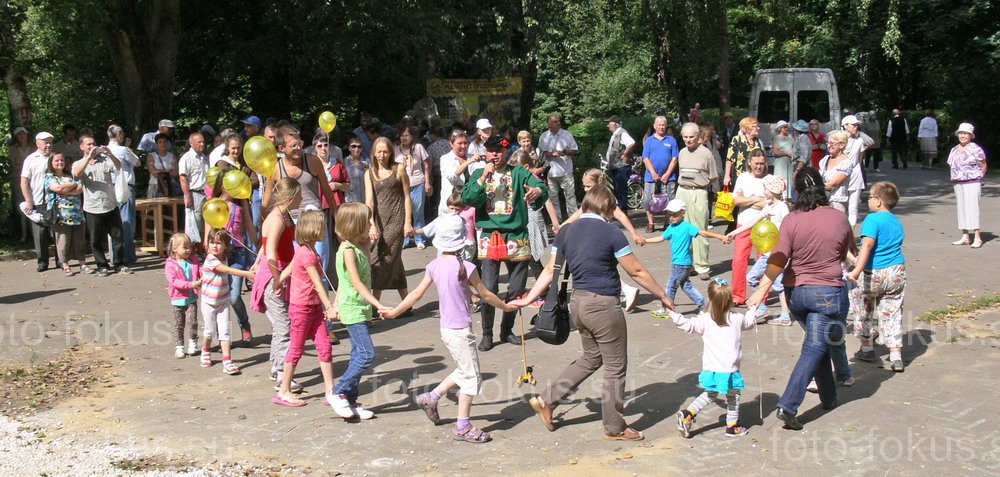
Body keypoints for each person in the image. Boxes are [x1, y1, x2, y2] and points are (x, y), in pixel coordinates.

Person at [512, 186, 673, 441]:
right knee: (615, 367)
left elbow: (550, 271)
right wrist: (663, 295)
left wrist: (529, 299)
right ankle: (614, 427)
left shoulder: (566, 231)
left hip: (578, 304)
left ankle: (547, 400)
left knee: (591, 358)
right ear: (607, 207)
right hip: (604, 305)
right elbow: (636, 272)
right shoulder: (611, 232)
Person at [383, 211, 514, 443]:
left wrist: (394, 311)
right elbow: (485, 294)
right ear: (462, 240)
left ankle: (431, 397)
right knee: (472, 377)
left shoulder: (434, 265)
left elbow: (415, 294)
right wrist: (505, 306)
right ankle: (462, 426)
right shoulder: (468, 267)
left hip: (447, 329)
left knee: (464, 370)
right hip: (461, 330)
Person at [746, 167, 853, 430]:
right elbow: (848, 250)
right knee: (815, 348)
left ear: (798, 191)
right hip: (828, 291)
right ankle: (788, 405)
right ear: (822, 187)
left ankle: (828, 397)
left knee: (820, 343)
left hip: (798, 296)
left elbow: (779, 258)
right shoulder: (839, 217)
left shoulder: (792, 220)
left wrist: (761, 290)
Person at [461, 135, 547, 351]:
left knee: (517, 288)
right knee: (488, 287)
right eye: (491, 150)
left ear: (507, 153)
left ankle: (506, 330)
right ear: (486, 153)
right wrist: (483, 179)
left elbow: (540, 186)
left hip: (516, 235)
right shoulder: (479, 173)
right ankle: (487, 334)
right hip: (490, 236)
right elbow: (468, 198)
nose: (495, 154)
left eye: (499, 150)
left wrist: (537, 191)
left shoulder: (518, 172)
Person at [670, 278, 757, 439]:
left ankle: (688, 413)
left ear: (710, 298)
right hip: (729, 369)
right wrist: (752, 309)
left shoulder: (704, 319)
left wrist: (672, 313)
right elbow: (750, 323)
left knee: (710, 394)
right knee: (734, 396)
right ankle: (732, 426)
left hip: (712, 367)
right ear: (730, 300)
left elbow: (687, 325)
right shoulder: (737, 318)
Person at [271, 210, 340, 409]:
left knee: (325, 346)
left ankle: (330, 390)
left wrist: (279, 282)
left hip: (314, 308)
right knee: (296, 348)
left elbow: (290, 268)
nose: (324, 230)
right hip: (302, 309)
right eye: (321, 226)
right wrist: (330, 306)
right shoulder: (308, 254)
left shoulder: (305, 249)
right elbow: (318, 283)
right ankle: (284, 390)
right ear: (312, 229)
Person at [328, 203, 388, 420]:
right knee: (366, 354)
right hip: (353, 307)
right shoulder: (347, 251)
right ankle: (338, 391)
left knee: (356, 354)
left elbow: (364, 259)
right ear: (355, 226)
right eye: (366, 223)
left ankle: (351, 400)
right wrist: (377, 303)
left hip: (358, 307)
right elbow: (355, 283)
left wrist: (370, 241)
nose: (370, 226)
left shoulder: (356, 247)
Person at [556, 169, 645, 310]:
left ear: (598, 183)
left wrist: (634, 234)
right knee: (605, 269)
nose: (585, 190)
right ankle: (625, 290)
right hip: (594, 237)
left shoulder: (605, 198)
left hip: (602, 239)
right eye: (584, 186)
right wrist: (563, 226)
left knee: (603, 269)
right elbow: (578, 214)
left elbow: (621, 215)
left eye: (588, 186)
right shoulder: (591, 198)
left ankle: (624, 290)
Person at [250, 178, 303, 392]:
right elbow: (270, 250)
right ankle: (282, 373)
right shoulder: (277, 218)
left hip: (281, 273)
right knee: (284, 327)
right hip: (275, 276)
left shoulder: (284, 216)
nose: (301, 198)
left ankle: (275, 366)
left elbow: (264, 248)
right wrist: (277, 278)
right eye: (298, 194)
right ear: (289, 197)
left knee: (281, 324)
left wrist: (256, 261)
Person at [847, 181, 906, 372]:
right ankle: (896, 355)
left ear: (879, 201)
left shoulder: (872, 219)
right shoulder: (896, 220)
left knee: (862, 307)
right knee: (893, 310)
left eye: (870, 197)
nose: (868, 200)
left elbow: (868, 246)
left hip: (874, 272)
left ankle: (867, 348)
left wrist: (856, 270)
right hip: (896, 270)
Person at [206, 144, 259, 344]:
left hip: (237, 253)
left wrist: (258, 245)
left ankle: (244, 323)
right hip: (218, 254)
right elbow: (208, 225)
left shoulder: (241, 202)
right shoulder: (214, 203)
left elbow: (249, 227)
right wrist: (205, 244)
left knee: (235, 296)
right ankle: (222, 334)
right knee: (218, 297)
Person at [646, 199, 730, 314]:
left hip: (681, 263)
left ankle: (667, 309)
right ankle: (704, 306)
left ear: (683, 213)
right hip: (681, 263)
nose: (671, 217)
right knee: (686, 286)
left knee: (671, 286)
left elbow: (703, 233)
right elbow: (661, 238)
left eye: (674, 214)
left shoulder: (687, 227)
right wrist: (645, 240)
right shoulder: (671, 227)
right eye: (669, 214)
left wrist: (720, 237)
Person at [729, 175, 792, 326]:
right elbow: (752, 222)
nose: (763, 191)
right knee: (752, 277)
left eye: (766, 188)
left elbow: (789, 227)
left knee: (778, 284)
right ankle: (762, 306)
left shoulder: (783, 208)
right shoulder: (768, 206)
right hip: (766, 254)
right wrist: (733, 233)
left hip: (778, 254)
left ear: (774, 190)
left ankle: (785, 315)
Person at [198, 228, 256, 375]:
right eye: (212, 243)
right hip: (209, 302)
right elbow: (227, 270)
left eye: (219, 243)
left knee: (225, 333)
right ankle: (205, 350)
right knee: (209, 332)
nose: (214, 246)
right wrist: (248, 273)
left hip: (223, 301)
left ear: (226, 246)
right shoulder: (211, 260)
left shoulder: (224, 256)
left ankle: (227, 361)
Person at [365, 136, 413, 303]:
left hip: (397, 219)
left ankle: (374, 303)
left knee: (381, 259)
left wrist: (408, 222)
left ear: (391, 152)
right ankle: (406, 304)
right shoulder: (369, 173)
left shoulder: (398, 169)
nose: (382, 155)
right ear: (374, 153)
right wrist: (371, 224)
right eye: (378, 151)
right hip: (379, 221)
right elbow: (369, 201)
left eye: (385, 151)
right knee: (394, 261)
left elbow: (407, 197)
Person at [72, 135, 125, 276]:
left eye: (93, 144)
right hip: (92, 207)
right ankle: (102, 265)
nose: (92, 147)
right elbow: (77, 174)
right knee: (96, 239)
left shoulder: (105, 160)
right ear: (82, 147)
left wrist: (110, 154)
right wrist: (88, 158)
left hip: (110, 204)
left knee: (118, 236)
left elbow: (119, 166)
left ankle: (119, 264)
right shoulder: (78, 163)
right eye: (88, 144)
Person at [676, 122, 719, 280]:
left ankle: (702, 267)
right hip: (682, 192)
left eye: (691, 137)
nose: (688, 140)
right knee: (682, 230)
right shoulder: (681, 152)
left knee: (699, 229)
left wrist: (700, 185)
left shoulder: (706, 153)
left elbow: (713, 176)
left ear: (698, 137)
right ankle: (688, 264)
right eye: (685, 137)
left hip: (699, 192)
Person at [730, 150, 772, 305]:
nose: (759, 167)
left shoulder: (770, 179)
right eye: (756, 164)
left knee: (763, 261)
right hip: (744, 222)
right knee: (739, 260)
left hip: (764, 225)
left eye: (762, 164)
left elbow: (770, 204)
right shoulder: (742, 177)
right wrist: (756, 199)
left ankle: (761, 296)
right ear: (749, 163)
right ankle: (738, 296)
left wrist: (746, 199)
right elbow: (735, 201)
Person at [509, 151, 561, 274]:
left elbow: (547, 201)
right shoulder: (513, 180)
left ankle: (545, 289)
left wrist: (555, 223)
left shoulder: (533, 181)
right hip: (517, 219)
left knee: (531, 255)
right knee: (520, 255)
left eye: (515, 168)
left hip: (530, 218)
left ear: (526, 167)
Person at [44, 153, 88, 276]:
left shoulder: (71, 175)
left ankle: (83, 264)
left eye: (62, 160)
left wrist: (67, 189)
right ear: (51, 163)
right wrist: (72, 185)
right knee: (63, 240)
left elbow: (80, 189)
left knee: (79, 240)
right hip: (60, 215)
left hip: (77, 213)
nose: (60, 162)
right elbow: (58, 189)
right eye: (56, 160)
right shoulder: (49, 177)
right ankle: (65, 265)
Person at [947, 123, 987, 248]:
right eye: (960, 133)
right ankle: (965, 236)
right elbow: (951, 165)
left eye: (965, 133)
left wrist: (979, 178)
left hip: (972, 182)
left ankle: (977, 237)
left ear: (971, 135)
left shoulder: (976, 149)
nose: (962, 136)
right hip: (958, 182)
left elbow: (983, 166)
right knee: (961, 209)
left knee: (972, 208)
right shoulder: (954, 149)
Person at [21, 131, 56, 272]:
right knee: (40, 234)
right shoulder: (31, 159)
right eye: (45, 142)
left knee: (57, 233)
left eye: (50, 142)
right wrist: (28, 201)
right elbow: (24, 181)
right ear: (37, 143)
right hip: (38, 201)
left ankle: (61, 260)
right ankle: (43, 262)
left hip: (55, 201)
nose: (48, 145)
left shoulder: (56, 157)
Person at [106, 125, 140, 266]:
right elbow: (137, 163)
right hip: (125, 187)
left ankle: (115, 256)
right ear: (119, 134)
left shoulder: (104, 151)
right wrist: (128, 148)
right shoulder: (123, 150)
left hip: (110, 188)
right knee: (127, 222)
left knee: (113, 223)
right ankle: (128, 256)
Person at [164, 233, 202, 359]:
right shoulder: (170, 264)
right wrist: (191, 284)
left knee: (192, 322)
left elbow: (200, 272)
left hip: (191, 299)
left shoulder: (194, 261)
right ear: (174, 249)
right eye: (184, 247)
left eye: (189, 247)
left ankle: (193, 343)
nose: (188, 250)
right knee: (179, 325)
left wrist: (204, 276)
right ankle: (179, 346)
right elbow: (174, 281)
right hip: (177, 300)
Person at [538, 113, 580, 221]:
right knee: (553, 198)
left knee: (570, 197)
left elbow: (575, 149)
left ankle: (574, 219)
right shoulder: (544, 136)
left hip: (566, 170)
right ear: (549, 124)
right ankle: (557, 221)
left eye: (559, 121)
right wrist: (552, 154)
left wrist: (565, 152)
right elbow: (541, 153)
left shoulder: (566, 134)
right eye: (555, 122)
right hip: (551, 171)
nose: (558, 123)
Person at [397, 125, 432, 249]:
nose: (404, 138)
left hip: (418, 183)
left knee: (418, 213)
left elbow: (426, 163)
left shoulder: (419, 148)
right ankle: (405, 239)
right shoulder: (397, 150)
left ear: (412, 136)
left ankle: (419, 238)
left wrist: (427, 181)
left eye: (406, 135)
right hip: (402, 186)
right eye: (402, 136)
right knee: (403, 213)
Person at [642, 115, 679, 232]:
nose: (661, 127)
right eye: (659, 125)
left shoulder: (671, 140)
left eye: (663, 125)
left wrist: (667, 174)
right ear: (654, 126)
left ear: (666, 126)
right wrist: (653, 173)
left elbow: (675, 158)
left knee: (669, 201)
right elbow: (645, 158)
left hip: (669, 177)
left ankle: (667, 223)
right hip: (650, 177)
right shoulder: (649, 140)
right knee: (648, 201)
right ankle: (651, 224)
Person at [179, 131, 210, 244]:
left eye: (203, 141)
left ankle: (202, 248)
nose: (202, 144)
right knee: (194, 224)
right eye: (199, 142)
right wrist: (188, 196)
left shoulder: (204, 158)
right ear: (191, 143)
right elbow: (183, 178)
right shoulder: (186, 158)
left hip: (206, 193)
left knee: (205, 223)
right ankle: (191, 249)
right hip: (194, 194)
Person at [842, 116, 872, 228]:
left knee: (853, 207)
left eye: (856, 125)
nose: (856, 127)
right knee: (839, 206)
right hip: (839, 175)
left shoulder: (859, 141)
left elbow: (860, 159)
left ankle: (850, 237)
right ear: (845, 126)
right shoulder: (837, 139)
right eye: (853, 125)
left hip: (855, 175)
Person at [605, 115, 637, 212]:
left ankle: (623, 212)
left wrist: (626, 154)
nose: (608, 125)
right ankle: (621, 211)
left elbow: (631, 142)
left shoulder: (622, 133)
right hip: (616, 167)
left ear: (615, 124)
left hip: (621, 167)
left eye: (609, 123)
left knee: (621, 190)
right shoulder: (615, 134)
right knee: (618, 190)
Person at [818, 130, 853, 215]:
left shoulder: (846, 163)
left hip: (837, 203)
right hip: (822, 200)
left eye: (832, 143)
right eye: (827, 143)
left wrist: (813, 187)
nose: (828, 146)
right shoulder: (825, 159)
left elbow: (831, 185)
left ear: (841, 145)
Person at [9, 126, 34, 241]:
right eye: (19, 134)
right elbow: (14, 164)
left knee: (34, 203)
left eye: (24, 134)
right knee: (21, 204)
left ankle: (35, 233)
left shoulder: (33, 147)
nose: (22, 136)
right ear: (16, 137)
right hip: (18, 179)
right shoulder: (12, 148)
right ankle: (24, 234)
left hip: (32, 179)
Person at [147, 133, 179, 198]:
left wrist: (159, 171)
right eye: (160, 142)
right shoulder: (151, 156)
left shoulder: (172, 157)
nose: (163, 144)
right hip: (155, 186)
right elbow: (153, 172)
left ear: (167, 143)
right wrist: (168, 171)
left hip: (170, 187)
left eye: (164, 142)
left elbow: (176, 173)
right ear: (156, 144)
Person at [343, 134, 370, 204]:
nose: (356, 149)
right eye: (353, 146)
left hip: (364, 200)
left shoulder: (367, 162)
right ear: (349, 148)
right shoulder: (344, 162)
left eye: (359, 147)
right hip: (350, 200)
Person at [771, 120, 796, 191]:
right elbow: (775, 151)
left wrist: (793, 154)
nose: (786, 128)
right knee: (780, 178)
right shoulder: (776, 138)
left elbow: (794, 148)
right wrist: (786, 153)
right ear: (780, 128)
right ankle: (780, 196)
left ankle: (789, 197)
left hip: (790, 162)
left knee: (790, 179)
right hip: (780, 162)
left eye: (786, 127)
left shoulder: (790, 137)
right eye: (784, 127)